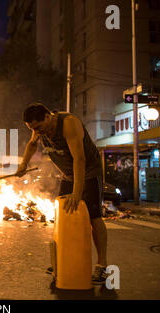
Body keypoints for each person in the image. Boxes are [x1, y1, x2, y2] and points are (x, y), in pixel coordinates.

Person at [16, 102, 108, 285]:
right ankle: (64, 261)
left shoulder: (69, 123)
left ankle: (102, 266)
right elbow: (32, 145)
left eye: (39, 127)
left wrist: (77, 192)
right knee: (64, 216)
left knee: (94, 217)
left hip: (88, 172)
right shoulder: (39, 128)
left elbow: (80, 159)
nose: (38, 132)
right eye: (33, 128)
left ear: (48, 116)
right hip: (67, 174)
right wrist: (23, 165)